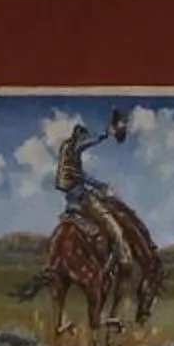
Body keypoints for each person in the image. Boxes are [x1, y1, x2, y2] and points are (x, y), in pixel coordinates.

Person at [53, 108, 135, 271]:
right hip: (81, 196)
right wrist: (107, 133)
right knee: (112, 224)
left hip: (71, 199)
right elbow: (89, 145)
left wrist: (97, 185)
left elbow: (78, 175)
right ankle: (125, 260)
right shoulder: (75, 146)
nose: (85, 140)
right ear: (79, 136)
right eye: (83, 137)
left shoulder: (65, 150)